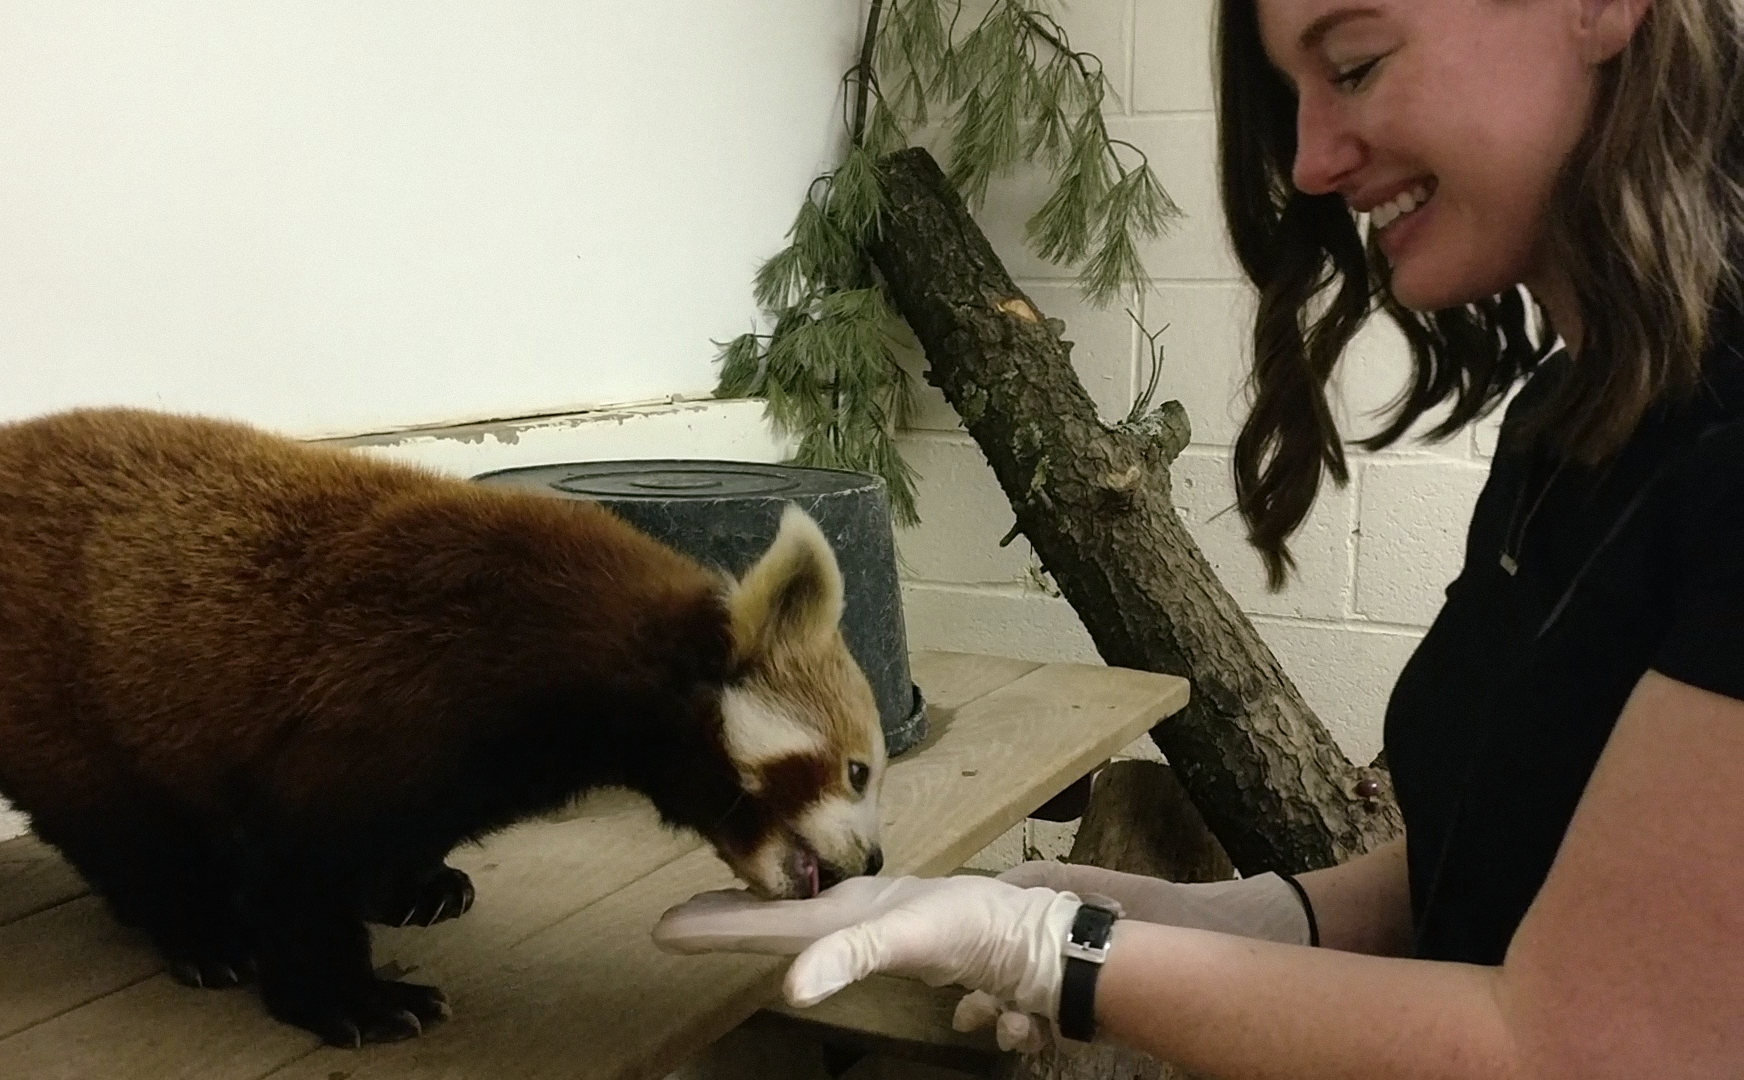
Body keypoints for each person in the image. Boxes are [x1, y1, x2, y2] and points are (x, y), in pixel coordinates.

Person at [652, 1, 1744, 1077]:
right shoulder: (1578, 418)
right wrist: (1212, 920)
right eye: (1291, 96)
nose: (1312, 161)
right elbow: (1496, 871)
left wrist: (1056, 960)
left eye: (1356, 65)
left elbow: (1578, 1046)